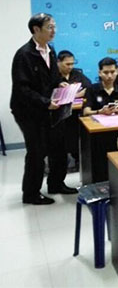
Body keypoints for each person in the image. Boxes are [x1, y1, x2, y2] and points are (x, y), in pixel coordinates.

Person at [11, 13, 77, 205]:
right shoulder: (24, 54)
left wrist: (61, 85)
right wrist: (44, 102)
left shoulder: (51, 50)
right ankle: (31, 194)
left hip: (49, 108)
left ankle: (56, 183)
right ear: (36, 29)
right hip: (28, 111)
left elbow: (53, 78)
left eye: (54, 26)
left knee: (58, 146)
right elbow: (22, 88)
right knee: (37, 151)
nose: (53, 30)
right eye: (49, 27)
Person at [57, 50, 92, 170]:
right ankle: (62, 158)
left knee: (76, 130)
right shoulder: (53, 76)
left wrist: (75, 94)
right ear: (58, 62)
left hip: (75, 111)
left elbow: (88, 86)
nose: (70, 67)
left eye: (72, 63)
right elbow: (53, 94)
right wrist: (75, 95)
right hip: (58, 113)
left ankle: (77, 156)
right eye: (67, 64)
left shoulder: (76, 73)